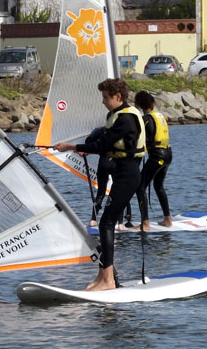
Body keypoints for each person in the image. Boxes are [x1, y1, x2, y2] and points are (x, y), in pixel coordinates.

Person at [54, 78, 145, 292]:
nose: (103, 101)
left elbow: (104, 145)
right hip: (122, 173)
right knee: (105, 222)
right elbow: (103, 141)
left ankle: (108, 280)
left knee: (106, 223)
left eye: (106, 97)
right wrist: (85, 145)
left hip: (128, 175)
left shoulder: (127, 119)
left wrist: (71, 146)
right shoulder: (116, 116)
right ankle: (103, 275)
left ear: (118, 97)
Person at [133, 90, 173, 230]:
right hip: (168, 154)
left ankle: (145, 223)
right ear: (152, 103)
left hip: (157, 156)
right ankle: (167, 219)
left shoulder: (146, 119)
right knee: (158, 186)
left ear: (139, 106)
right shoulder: (159, 115)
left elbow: (137, 138)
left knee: (140, 187)